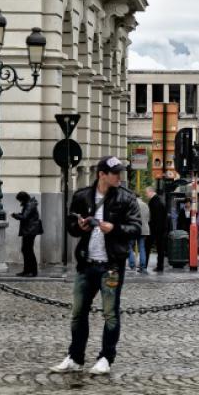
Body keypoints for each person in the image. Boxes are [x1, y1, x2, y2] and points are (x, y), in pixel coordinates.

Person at [50, 156, 141, 375]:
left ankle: (106, 358)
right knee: (78, 313)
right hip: (86, 263)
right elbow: (70, 226)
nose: (120, 176)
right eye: (115, 172)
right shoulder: (82, 196)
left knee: (110, 314)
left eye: (120, 172)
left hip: (111, 265)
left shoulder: (126, 198)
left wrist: (115, 228)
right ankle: (75, 357)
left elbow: (136, 228)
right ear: (102, 174)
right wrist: (80, 226)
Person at [11, 191, 43, 277]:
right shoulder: (29, 204)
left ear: (23, 199)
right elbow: (26, 215)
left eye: (20, 200)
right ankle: (27, 270)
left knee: (28, 250)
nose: (20, 202)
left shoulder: (29, 205)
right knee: (26, 250)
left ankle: (32, 271)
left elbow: (25, 217)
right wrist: (18, 215)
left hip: (30, 230)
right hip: (29, 230)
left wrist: (16, 216)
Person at [146, 187, 167, 272]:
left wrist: (151, 227)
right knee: (160, 248)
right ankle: (160, 266)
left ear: (151, 192)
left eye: (146, 193)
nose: (146, 195)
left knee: (146, 246)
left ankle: (144, 265)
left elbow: (153, 217)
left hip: (154, 229)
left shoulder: (153, 202)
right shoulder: (161, 201)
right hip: (161, 229)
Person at [128, 194, 150, 274]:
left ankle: (132, 264)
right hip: (144, 229)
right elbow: (148, 217)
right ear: (140, 197)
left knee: (129, 246)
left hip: (134, 229)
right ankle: (143, 267)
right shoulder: (145, 205)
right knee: (142, 248)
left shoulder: (131, 205)